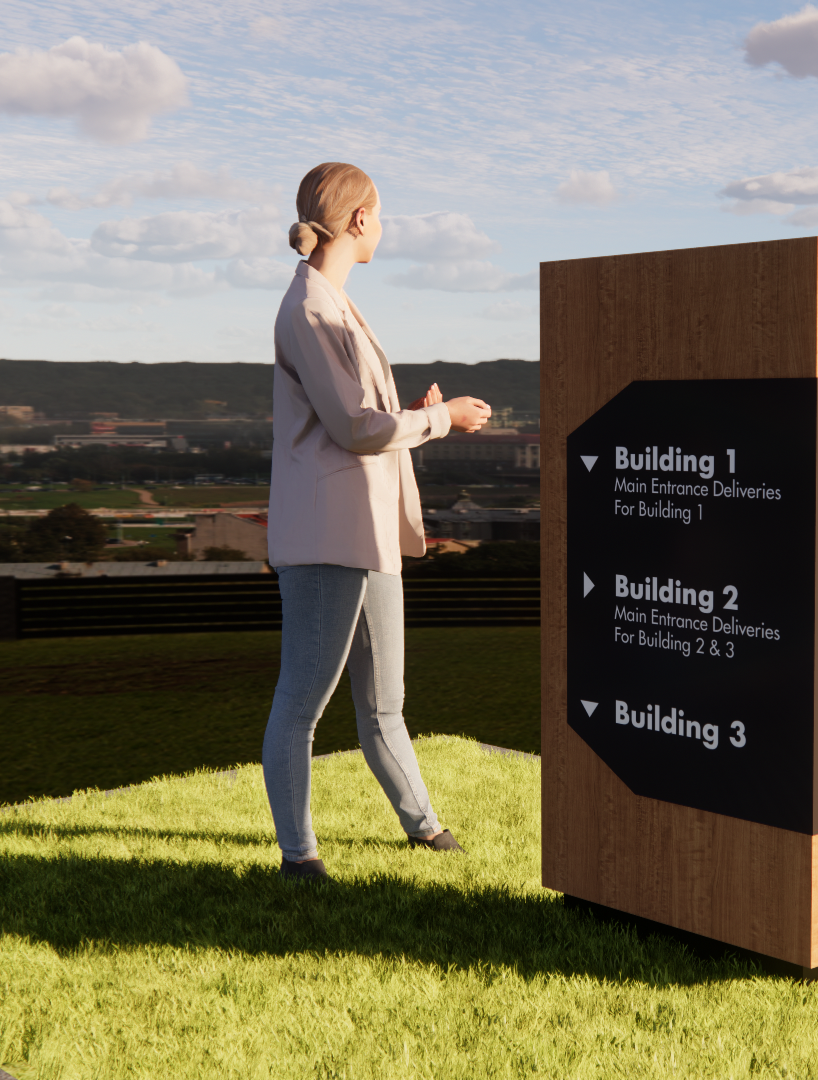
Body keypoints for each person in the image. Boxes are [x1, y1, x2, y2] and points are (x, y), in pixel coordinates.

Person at [263, 162, 492, 881]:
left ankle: (425, 829)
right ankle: (299, 856)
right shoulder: (309, 309)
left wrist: (426, 418)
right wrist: (440, 418)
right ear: (359, 220)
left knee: (384, 700)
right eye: (381, 215)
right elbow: (356, 429)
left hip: (366, 534)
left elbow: (367, 421)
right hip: (329, 536)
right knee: (303, 702)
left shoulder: (331, 302)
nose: (383, 228)